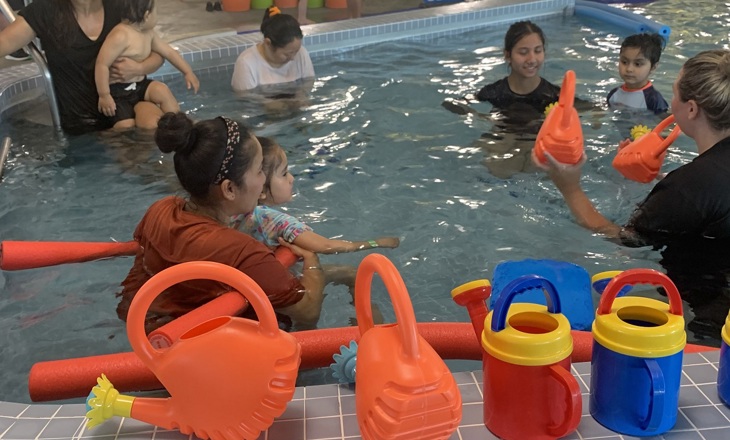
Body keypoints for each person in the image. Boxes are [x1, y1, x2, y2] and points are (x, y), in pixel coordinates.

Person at [534, 49, 730, 346]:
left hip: (710, 318)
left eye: (675, 92)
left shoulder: (688, 188)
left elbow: (626, 240)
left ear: (691, 109)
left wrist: (569, 186)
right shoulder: (694, 183)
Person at [117, 112, 325, 333]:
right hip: (216, 347)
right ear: (229, 189)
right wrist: (312, 260)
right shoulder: (243, 252)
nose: (264, 180)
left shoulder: (160, 210)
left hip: (152, 330)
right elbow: (308, 311)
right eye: (258, 171)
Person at [0, 0, 164, 134]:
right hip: (85, 126)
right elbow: (5, 42)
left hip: (132, 102)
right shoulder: (46, 10)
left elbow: (159, 54)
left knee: (156, 129)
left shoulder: (121, 5)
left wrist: (140, 68)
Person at [236, 136, 401, 253]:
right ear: (262, 191)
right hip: (277, 288)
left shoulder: (232, 212)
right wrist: (376, 243)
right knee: (351, 274)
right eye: (284, 173)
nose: (292, 179)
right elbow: (326, 246)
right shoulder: (270, 220)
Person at [95, 0, 200, 130]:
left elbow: (168, 52)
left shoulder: (148, 33)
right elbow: (101, 65)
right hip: (118, 92)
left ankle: (178, 125)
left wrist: (187, 72)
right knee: (125, 126)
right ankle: (110, 136)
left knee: (162, 90)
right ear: (146, 15)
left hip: (140, 85)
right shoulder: (120, 35)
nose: (157, 15)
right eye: (156, 11)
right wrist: (104, 95)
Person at [231, 6, 314, 93]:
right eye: (287, 54)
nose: (293, 58)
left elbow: (308, 83)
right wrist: (268, 103)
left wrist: (301, 97)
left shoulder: (301, 53)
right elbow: (245, 98)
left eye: (296, 51)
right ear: (268, 43)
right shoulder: (246, 63)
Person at [607, 33, 668, 114]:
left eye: (637, 64)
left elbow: (664, 123)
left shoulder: (653, 100)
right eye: (624, 62)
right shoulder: (613, 94)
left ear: (653, 67)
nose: (629, 69)